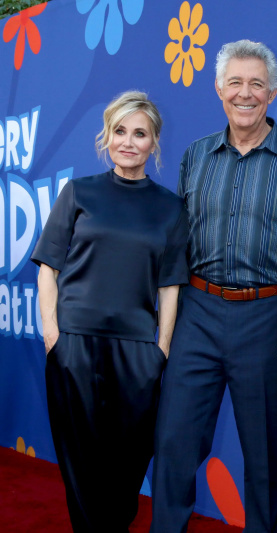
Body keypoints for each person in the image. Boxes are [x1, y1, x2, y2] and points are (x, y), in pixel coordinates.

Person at [150, 40, 277, 533]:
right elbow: (177, 246)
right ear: (218, 89)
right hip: (198, 314)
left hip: (269, 320)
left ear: (272, 92)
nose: (245, 93)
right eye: (235, 83)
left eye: (256, 84)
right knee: (174, 444)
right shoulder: (195, 157)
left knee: (266, 455)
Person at [32, 90, 188, 532]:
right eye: (120, 131)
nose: (128, 141)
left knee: (127, 463)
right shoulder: (79, 192)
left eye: (140, 133)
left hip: (137, 351)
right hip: (74, 344)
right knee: (79, 462)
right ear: (107, 135)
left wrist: (160, 348)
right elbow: (48, 270)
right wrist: (52, 335)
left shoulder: (170, 207)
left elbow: (171, 285)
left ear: (154, 142)